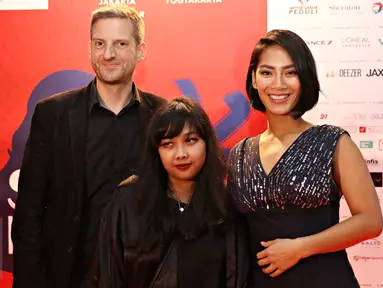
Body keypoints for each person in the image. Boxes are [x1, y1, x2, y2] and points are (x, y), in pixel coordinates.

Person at [11, 5, 166, 288]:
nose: (108, 54)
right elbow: (29, 213)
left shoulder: (163, 116)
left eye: (120, 44)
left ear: (140, 50)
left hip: (142, 277)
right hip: (69, 276)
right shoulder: (52, 114)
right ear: (90, 48)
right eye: (99, 43)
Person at [227, 29, 383, 287]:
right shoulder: (240, 155)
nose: (278, 84)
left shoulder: (333, 142)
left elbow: (370, 221)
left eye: (290, 72)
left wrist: (300, 248)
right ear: (254, 79)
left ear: (305, 78)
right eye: (267, 72)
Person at [84, 97, 249, 288]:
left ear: (207, 144)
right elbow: (108, 275)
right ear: (157, 151)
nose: (181, 154)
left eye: (190, 140)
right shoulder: (129, 201)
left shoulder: (225, 206)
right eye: (168, 144)